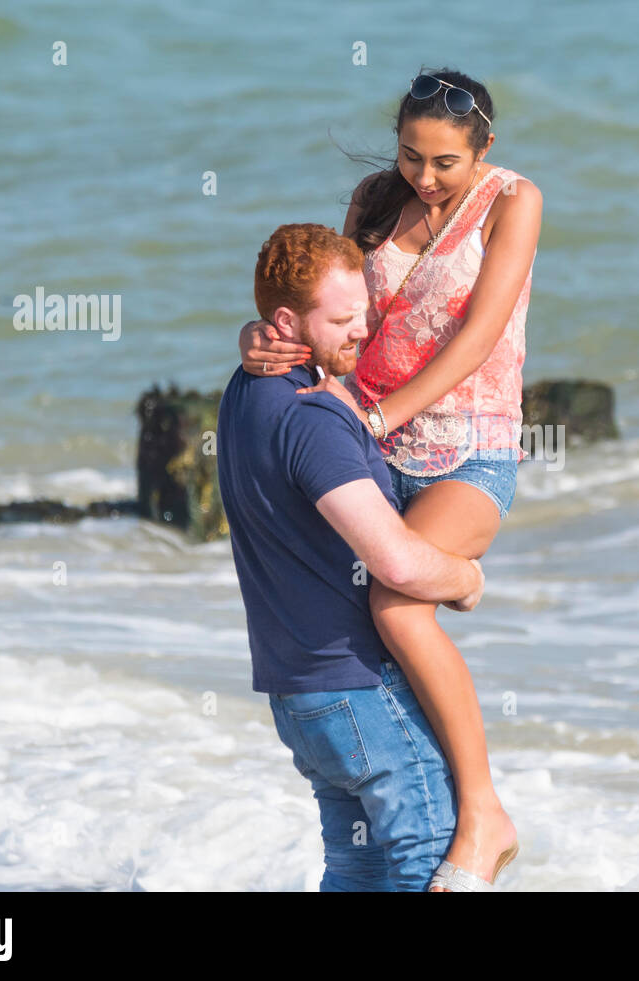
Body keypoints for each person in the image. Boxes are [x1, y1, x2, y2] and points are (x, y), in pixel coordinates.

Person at [237, 67, 540, 890]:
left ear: (484, 148)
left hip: (467, 447)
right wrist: (257, 339)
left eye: (445, 161)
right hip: (369, 446)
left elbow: (478, 335)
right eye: (412, 154)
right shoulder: (377, 198)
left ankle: (482, 814)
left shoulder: (514, 202)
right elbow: (329, 310)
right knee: (353, 631)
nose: (425, 176)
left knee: (397, 600)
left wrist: (376, 414)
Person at [218, 222, 496, 891]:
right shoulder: (311, 420)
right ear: (287, 321)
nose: (362, 331)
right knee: (427, 862)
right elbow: (395, 562)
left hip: (300, 699)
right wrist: (464, 576)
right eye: (342, 318)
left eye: (364, 311)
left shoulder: (243, 391)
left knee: (358, 872)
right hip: (359, 690)